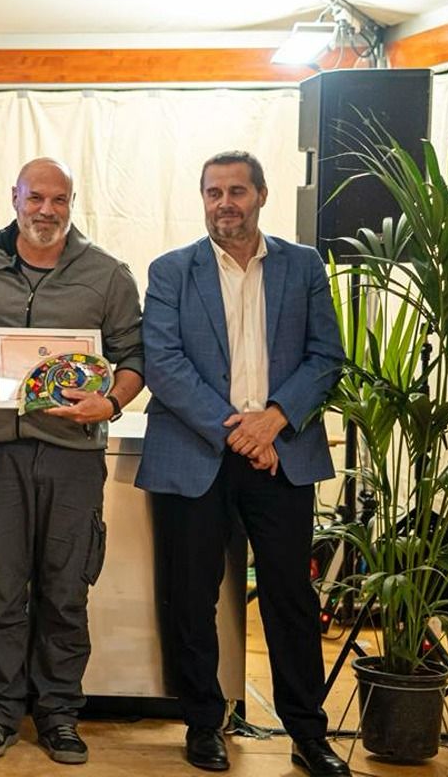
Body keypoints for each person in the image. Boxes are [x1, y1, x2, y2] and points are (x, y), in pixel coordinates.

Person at [136, 151, 348, 776]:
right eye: (213, 192)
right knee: (191, 594)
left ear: (261, 195)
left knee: (290, 597)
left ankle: (307, 733)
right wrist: (241, 432)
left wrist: (274, 420)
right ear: (202, 199)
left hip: (281, 454)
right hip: (196, 452)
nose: (224, 202)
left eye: (237, 190)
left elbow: (326, 356)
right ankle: (204, 723)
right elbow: (163, 363)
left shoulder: (302, 266)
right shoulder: (171, 270)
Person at [0, 158, 144, 764]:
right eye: (35, 198)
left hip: (73, 456)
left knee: (65, 588)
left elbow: (135, 357)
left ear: (72, 203)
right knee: (1, 587)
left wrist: (110, 401)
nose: (46, 211)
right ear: (15, 198)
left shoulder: (107, 275)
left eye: (59, 200)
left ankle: (59, 714)